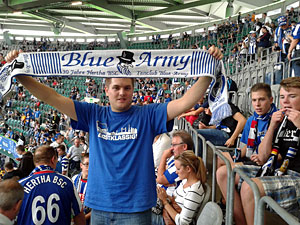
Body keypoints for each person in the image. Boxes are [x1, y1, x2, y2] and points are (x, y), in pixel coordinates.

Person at [6, 48, 222, 224]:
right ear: (107, 90)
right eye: (116, 87)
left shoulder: (147, 115)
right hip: (100, 207)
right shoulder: (92, 114)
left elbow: (185, 102)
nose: (122, 92)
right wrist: (21, 75)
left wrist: (207, 69)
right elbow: (51, 96)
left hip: (136, 210)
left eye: (127, 88)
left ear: (133, 89)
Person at [233, 77, 300, 225]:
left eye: (292, 96)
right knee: (228, 173)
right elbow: (263, 157)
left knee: (249, 189)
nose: (286, 101)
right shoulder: (281, 121)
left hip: (296, 176)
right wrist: (272, 127)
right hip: (280, 171)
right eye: (282, 97)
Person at [216, 83, 277, 224]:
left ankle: (237, 217)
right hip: (251, 159)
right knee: (221, 157)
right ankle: (228, 206)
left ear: (271, 100)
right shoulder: (252, 119)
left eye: (261, 100)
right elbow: (246, 148)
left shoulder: (277, 118)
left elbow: (278, 152)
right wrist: (236, 155)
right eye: (254, 100)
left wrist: (259, 155)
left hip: (266, 164)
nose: (257, 104)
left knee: (223, 173)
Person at [17, 145, 85, 225]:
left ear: (35, 161)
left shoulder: (20, 185)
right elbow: (78, 214)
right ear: (53, 159)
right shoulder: (67, 182)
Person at [152, 150, 206, 225]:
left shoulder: (194, 192)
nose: (176, 172)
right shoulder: (185, 181)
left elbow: (182, 222)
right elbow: (175, 200)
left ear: (188, 169)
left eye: (178, 169)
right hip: (166, 213)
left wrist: (164, 202)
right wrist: (164, 195)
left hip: (167, 220)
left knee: (139, 214)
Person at [156, 130, 194, 195]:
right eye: (172, 145)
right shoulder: (176, 156)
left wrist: (164, 156)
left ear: (184, 147)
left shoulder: (184, 162)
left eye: (174, 145)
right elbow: (161, 172)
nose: (171, 148)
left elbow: (160, 179)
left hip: (165, 197)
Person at [72, 153, 91, 225]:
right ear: (81, 165)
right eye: (86, 164)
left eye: (91, 164)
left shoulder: (96, 183)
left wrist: (84, 218)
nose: (89, 167)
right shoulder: (74, 179)